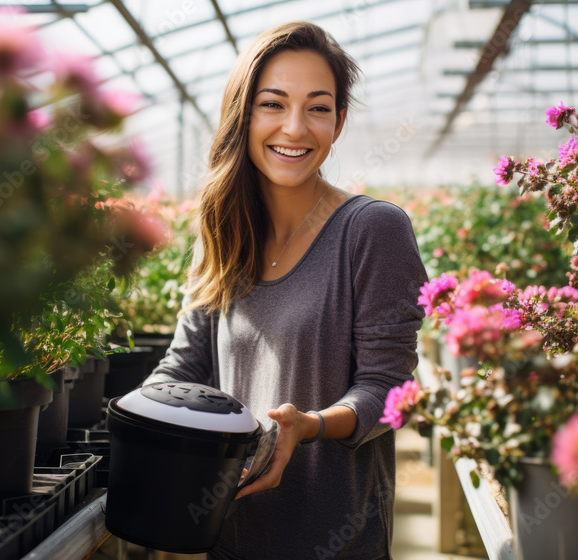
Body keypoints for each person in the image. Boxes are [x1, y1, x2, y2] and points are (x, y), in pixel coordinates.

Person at [145, 21, 427, 559]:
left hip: (335, 541)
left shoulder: (372, 230)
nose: (295, 128)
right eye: (273, 104)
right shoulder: (225, 234)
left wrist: (310, 426)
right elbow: (183, 369)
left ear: (339, 122)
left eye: (318, 108)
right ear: (243, 113)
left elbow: (390, 392)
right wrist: (129, 419)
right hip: (228, 536)